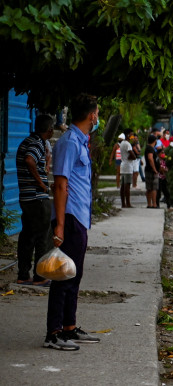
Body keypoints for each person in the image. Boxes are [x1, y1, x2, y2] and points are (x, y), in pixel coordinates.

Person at [46, 94, 102, 350]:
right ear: (92, 115)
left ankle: (69, 327)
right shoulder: (69, 142)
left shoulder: (81, 142)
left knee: (74, 274)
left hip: (79, 217)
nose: (98, 117)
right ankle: (53, 333)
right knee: (63, 275)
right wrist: (58, 224)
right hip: (68, 217)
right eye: (97, 112)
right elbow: (60, 184)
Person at [16, 114, 55, 286]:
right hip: (37, 198)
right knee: (43, 237)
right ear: (50, 130)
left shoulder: (26, 141)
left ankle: (23, 275)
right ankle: (40, 276)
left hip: (26, 197)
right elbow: (30, 160)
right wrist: (42, 184)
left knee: (27, 236)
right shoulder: (37, 143)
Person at [118, 130, 136, 208]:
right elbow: (133, 156)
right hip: (128, 166)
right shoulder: (128, 144)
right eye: (132, 135)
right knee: (127, 185)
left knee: (123, 185)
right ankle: (128, 203)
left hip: (123, 165)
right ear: (128, 135)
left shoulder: (122, 143)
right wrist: (132, 156)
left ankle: (123, 203)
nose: (133, 136)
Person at [144, 135, 159, 208]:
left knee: (149, 188)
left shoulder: (148, 148)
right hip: (151, 171)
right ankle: (154, 204)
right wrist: (154, 169)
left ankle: (149, 204)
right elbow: (150, 158)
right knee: (154, 188)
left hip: (148, 170)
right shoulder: (150, 149)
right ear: (154, 141)